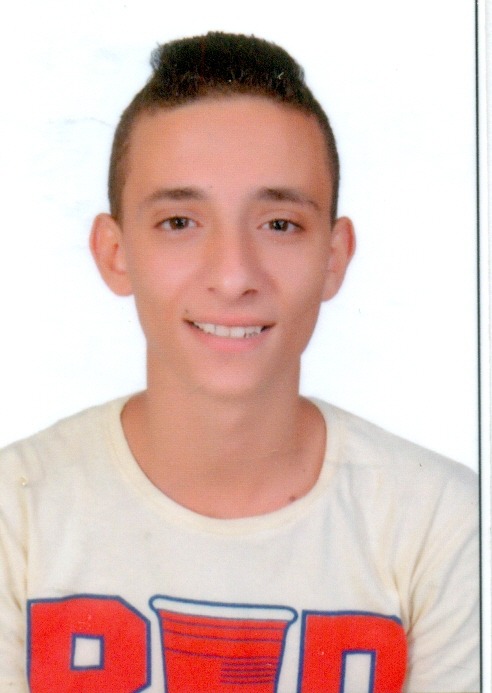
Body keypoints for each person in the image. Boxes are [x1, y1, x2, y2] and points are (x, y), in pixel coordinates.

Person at [0, 32, 478, 693]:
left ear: (334, 257)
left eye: (279, 224)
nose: (232, 276)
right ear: (115, 252)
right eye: (179, 222)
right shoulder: (15, 512)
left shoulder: (445, 524)